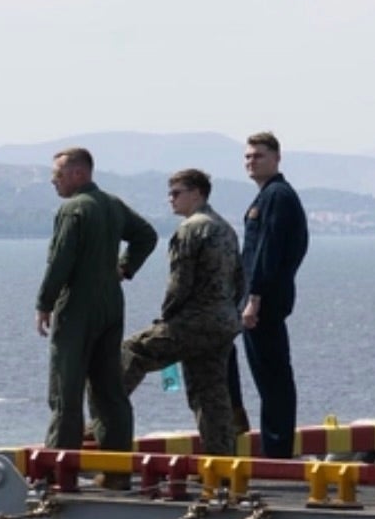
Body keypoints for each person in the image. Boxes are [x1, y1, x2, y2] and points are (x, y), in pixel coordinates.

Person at [36, 147, 157, 451]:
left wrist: (44, 303)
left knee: (66, 392)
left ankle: (59, 472)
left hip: (77, 306)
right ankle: (117, 471)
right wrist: (125, 268)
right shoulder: (112, 205)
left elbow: (60, 262)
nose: (54, 181)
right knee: (109, 391)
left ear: (78, 173)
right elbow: (147, 235)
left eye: (58, 175)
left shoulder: (73, 209)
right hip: (111, 305)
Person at [120, 169, 242, 455]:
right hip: (223, 321)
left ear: (197, 193)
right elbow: (240, 279)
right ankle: (222, 464)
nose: (170, 199)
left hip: (194, 320)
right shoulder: (226, 228)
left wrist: (167, 318)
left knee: (131, 351)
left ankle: (105, 420)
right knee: (210, 393)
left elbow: (180, 283)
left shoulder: (190, 229)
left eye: (176, 193)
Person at [238, 131, 309, 457]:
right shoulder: (269, 195)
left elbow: (269, 252)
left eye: (259, 156)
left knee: (274, 378)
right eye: (248, 156)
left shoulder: (277, 196)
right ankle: (275, 447)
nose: (251, 162)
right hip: (262, 300)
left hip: (262, 304)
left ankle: (277, 450)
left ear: (277, 158)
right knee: (270, 377)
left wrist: (255, 298)